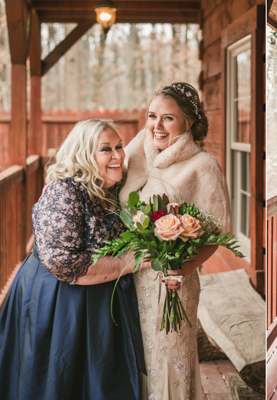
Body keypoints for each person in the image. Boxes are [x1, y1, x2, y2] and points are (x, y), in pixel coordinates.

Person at [0, 119, 146, 399]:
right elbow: (64, 264)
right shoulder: (64, 192)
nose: (117, 155)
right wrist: (130, 262)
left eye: (119, 146)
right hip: (60, 302)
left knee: (102, 380)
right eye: (106, 149)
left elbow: (146, 142)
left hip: (103, 298)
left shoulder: (114, 188)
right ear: (84, 154)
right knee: (60, 377)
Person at [121, 82, 232, 399]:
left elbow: (216, 234)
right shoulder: (145, 147)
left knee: (171, 361)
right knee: (143, 362)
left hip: (174, 283)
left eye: (167, 118)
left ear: (189, 122)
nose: (156, 125)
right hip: (137, 279)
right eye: (152, 115)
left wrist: (180, 271)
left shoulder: (203, 166)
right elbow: (107, 174)